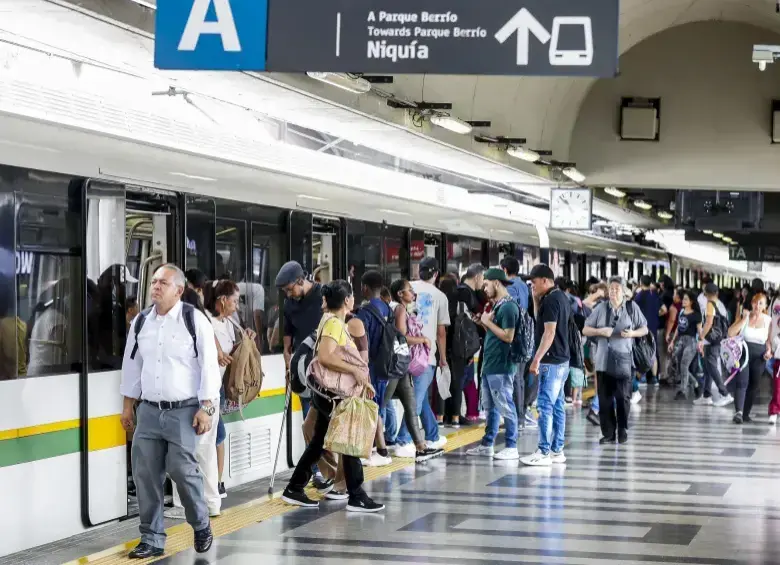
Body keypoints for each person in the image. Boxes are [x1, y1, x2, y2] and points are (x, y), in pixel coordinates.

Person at [119, 264, 220, 558]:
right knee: (145, 474)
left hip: (185, 409)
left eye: (162, 282)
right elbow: (132, 366)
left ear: (178, 290)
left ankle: (200, 524)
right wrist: (128, 406)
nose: (155, 287)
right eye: (153, 282)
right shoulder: (141, 323)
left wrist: (206, 407)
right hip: (149, 411)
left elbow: (209, 367)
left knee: (181, 468)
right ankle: (151, 538)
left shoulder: (194, 320)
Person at [281, 280, 384, 513]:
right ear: (347, 300)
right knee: (347, 439)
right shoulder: (336, 324)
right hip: (333, 393)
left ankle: (295, 487)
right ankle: (356, 495)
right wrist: (356, 370)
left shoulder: (329, 321)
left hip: (327, 392)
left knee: (319, 441)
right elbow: (326, 357)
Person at [386, 279, 445, 462]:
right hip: (397, 363)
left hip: (401, 364)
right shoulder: (400, 310)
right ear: (400, 294)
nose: (413, 293)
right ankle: (394, 443)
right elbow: (402, 336)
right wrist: (423, 340)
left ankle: (421, 446)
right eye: (409, 290)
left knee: (412, 404)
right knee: (383, 404)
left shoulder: (400, 308)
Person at [583, 276, 647, 444]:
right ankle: (609, 433)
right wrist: (600, 331)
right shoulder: (600, 308)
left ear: (624, 292)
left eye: (617, 289)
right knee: (604, 400)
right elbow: (585, 329)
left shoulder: (632, 308)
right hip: (603, 360)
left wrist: (632, 334)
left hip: (624, 360)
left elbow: (644, 329)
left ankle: (622, 428)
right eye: (611, 289)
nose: (613, 292)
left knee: (623, 398)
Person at [395, 257, 449, 450]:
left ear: (419, 272)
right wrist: (442, 358)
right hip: (424, 355)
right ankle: (404, 439)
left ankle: (433, 434)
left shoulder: (409, 287)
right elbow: (440, 333)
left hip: (404, 353)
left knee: (420, 396)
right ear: (436, 275)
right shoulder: (440, 296)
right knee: (415, 401)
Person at [466, 269, 520, 459]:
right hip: (490, 364)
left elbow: (508, 336)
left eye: (487, 284)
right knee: (491, 407)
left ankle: (512, 446)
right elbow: (494, 333)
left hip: (501, 367)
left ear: (496, 283)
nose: (484, 288)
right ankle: (488, 443)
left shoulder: (508, 307)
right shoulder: (497, 306)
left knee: (505, 405)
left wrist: (487, 323)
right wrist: (482, 323)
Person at [521, 264, 571, 467]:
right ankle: (557, 450)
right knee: (558, 406)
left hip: (550, 362)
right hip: (561, 361)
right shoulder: (559, 297)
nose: (531, 286)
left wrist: (536, 359)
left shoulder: (551, 300)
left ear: (544, 280)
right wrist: (534, 298)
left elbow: (548, 332)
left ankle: (543, 451)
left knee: (544, 406)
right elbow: (537, 318)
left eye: (533, 283)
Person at [354, 270, 394, 467]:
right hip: (386, 365)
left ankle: (379, 449)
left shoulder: (364, 313)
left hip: (370, 367)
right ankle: (379, 448)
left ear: (365, 288)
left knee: (371, 407)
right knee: (376, 406)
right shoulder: (388, 309)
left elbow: (362, 345)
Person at [727, 292, 772, 424]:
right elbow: (730, 333)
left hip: (759, 356)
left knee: (754, 385)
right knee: (742, 382)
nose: (757, 306)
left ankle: (745, 413)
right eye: (755, 302)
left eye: (760, 303)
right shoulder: (744, 316)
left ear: (765, 306)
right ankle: (738, 412)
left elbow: (768, 340)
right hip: (743, 353)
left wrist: (769, 351)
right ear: (751, 303)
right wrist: (743, 319)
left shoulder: (768, 320)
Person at [696, 283, 734, 407]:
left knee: (711, 367)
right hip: (718, 339)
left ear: (705, 293)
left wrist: (701, 336)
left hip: (711, 340)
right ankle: (706, 395)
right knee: (708, 368)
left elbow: (708, 323)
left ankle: (725, 394)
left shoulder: (709, 304)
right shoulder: (720, 304)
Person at [668, 291, 702, 400]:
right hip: (681, 341)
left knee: (684, 365)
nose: (683, 301)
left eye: (686, 299)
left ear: (691, 301)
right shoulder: (682, 311)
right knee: (680, 366)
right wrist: (672, 341)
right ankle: (696, 384)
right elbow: (679, 327)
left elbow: (700, 330)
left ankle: (682, 391)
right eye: (683, 299)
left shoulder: (696, 315)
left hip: (691, 342)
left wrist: (701, 343)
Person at [633, 275, 662, 386]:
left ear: (640, 283)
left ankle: (642, 377)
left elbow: (633, 311)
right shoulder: (654, 295)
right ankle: (654, 378)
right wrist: (655, 315)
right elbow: (663, 309)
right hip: (654, 327)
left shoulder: (639, 296)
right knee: (653, 352)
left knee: (642, 352)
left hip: (642, 329)